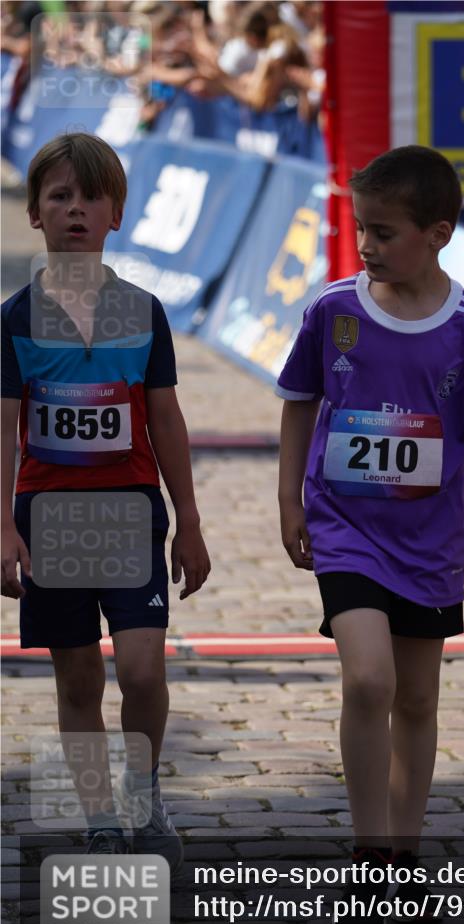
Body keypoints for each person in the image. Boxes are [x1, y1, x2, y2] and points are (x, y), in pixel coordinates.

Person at [276, 145, 464, 924]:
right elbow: (297, 400)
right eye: (362, 229)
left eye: (383, 233)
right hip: (344, 528)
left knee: (418, 699)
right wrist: (290, 497)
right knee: (369, 681)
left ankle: (404, 860)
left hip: (427, 543)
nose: (366, 246)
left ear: (438, 233)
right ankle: (368, 858)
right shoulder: (332, 312)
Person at [0, 132, 211, 864]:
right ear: (35, 214)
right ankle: (99, 814)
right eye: (60, 197)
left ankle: (143, 795)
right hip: (49, 517)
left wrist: (189, 523)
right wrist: (2, 527)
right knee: (79, 674)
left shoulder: (143, 311)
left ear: (115, 213)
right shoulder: (14, 318)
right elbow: (3, 431)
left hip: (129, 514)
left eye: (91, 197)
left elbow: (165, 418)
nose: (76, 210)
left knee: (144, 669)